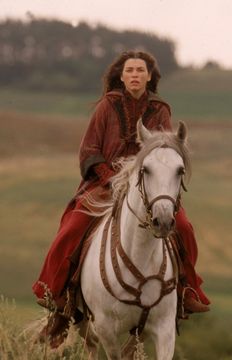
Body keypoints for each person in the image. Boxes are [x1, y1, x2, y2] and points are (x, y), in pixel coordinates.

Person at [33, 50, 210, 347]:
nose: (135, 75)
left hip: (150, 187)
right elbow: (89, 151)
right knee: (72, 227)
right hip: (105, 183)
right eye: (130, 70)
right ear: (122, 75)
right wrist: (110, 177)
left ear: (149, 76)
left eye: (141, 70)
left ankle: (186, 291)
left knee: (185, 228)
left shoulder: (161, 110)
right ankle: (59, 299)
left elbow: (165, 151)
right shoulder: (107, 106)